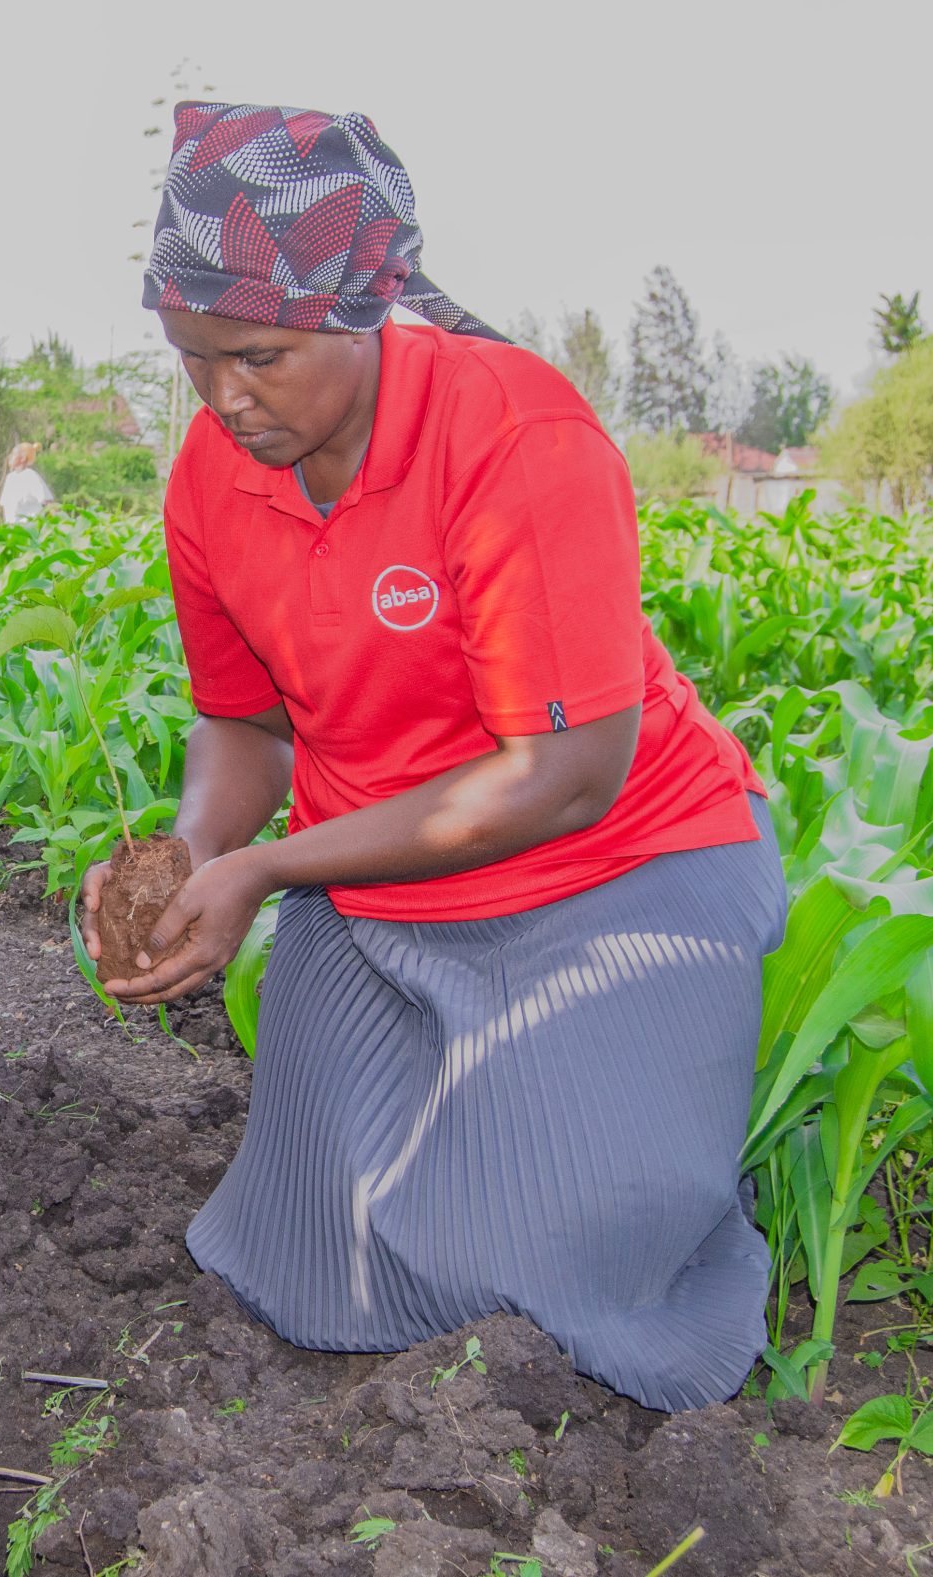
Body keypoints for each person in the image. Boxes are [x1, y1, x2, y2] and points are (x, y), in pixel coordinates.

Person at [80, 103, 787, 1412]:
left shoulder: (514, 434)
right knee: (303, 1252)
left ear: (366, 314)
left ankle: (677, 1185)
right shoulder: (212, 475)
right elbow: (243, 722)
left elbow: (561, 774)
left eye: (262, 355)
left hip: (617, 872)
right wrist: (195, 852)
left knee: (540, 1274)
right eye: (194, 358)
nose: (225, 394)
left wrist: (272, 865)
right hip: (382, 887)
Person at [0, 441, 55, 524]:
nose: (10, 457)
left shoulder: (31, 476)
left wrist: (61, 525)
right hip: (11, 530)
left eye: (13, 454)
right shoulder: (10, 478)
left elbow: (49, 503)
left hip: (29, 530)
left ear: (23, 458)